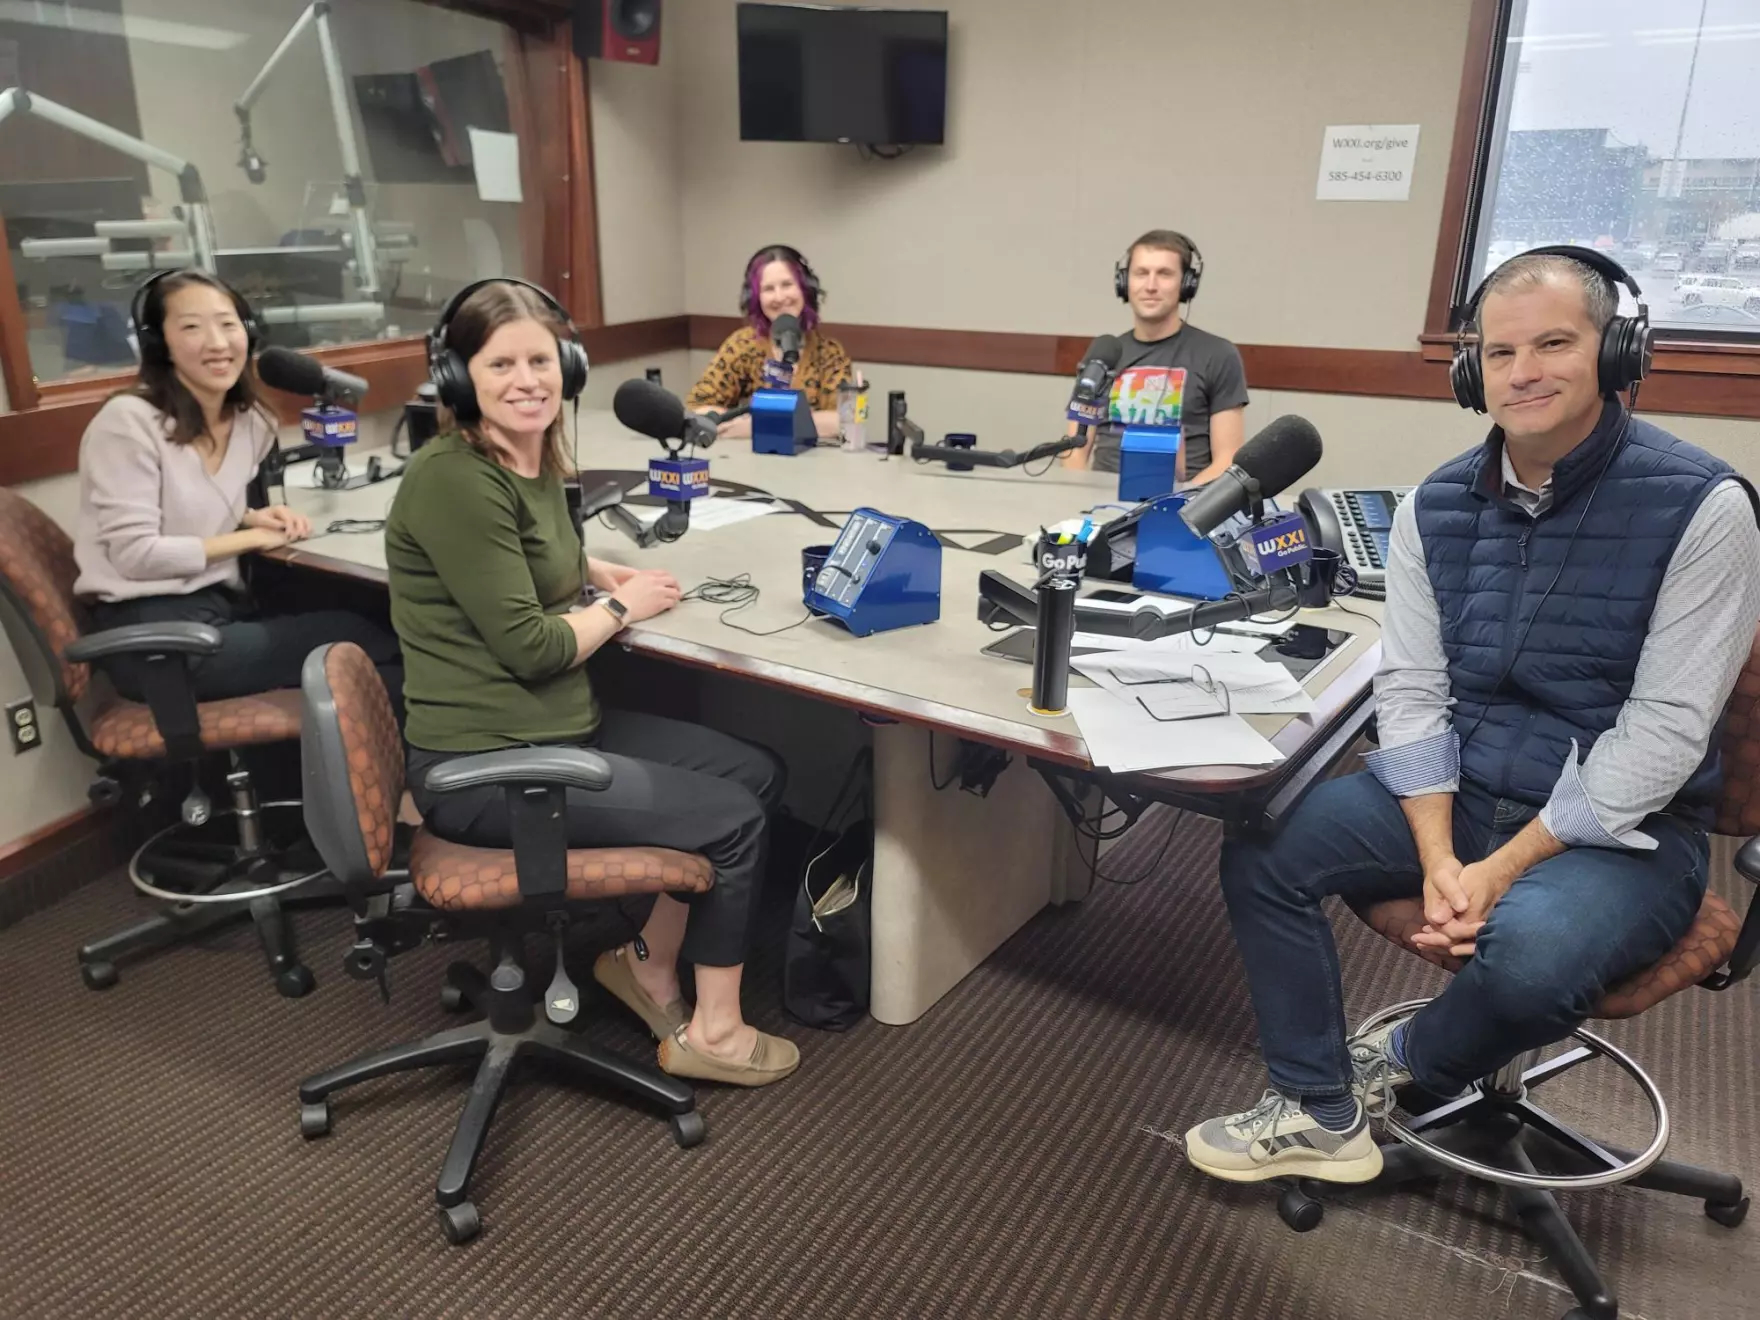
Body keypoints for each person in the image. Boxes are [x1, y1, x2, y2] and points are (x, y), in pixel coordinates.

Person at [1184, 247, 1760, 1184]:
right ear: (1471, 372)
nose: (1523, 371)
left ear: (1617, 354)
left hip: (1630, 829)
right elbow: (1412, 691)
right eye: (1499, 352)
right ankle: (1319, 1107)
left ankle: (1400, 1064)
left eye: (1554, 344)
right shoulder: (1435, 507)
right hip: (1468, 790)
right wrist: (1440, 853)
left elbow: (1664, 733)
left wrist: (1499, 871)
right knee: (1265, 846)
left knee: (1530, 962)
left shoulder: (1705, 506)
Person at [387, 278, 798, 1087]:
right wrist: (621, 606)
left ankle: (645, 964)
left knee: (757, 772)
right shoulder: (455, 479)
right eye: (500, 364)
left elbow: (541, 556)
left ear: (568, 367)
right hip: (486, 766)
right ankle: (715, 1033)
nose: (527, 381)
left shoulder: (529, 453)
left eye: (541, 361)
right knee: (735, 822)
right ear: (460, 377)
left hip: (557, 728)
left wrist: (601, 571)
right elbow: (534, 648)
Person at [73, 269, 401, 705]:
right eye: (192, 327)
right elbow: (135, 556)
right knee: (366, 636)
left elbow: (187, 501)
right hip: (155, 636)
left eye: (228, 324)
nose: (217, 342)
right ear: (158, 343)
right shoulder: (127, 424)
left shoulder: (252, 422)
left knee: (383, 617)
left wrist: (250, 516)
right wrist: (250, 538)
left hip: (221, 604)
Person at [1063, 230, 1248, 485]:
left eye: (1164, 274)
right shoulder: (1104, 354)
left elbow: (1228, 458)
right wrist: (1077, 495)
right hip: (1100, 500)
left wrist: (1182, 501)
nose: (1150, 286)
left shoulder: (1218, 354)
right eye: (1141, 273)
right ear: (1124, 282)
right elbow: (1074, 450)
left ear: (1186, 284)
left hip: (1183, 501)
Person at [685, 244, 851, 441]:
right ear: (756, 297)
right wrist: (799, 423)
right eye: (769, 289)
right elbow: (697, 408)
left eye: (787, 285)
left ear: (805, 289)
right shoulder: (742, 345)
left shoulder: (829, 353)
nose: (779, 297)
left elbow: (844, 420)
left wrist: (757, 424)